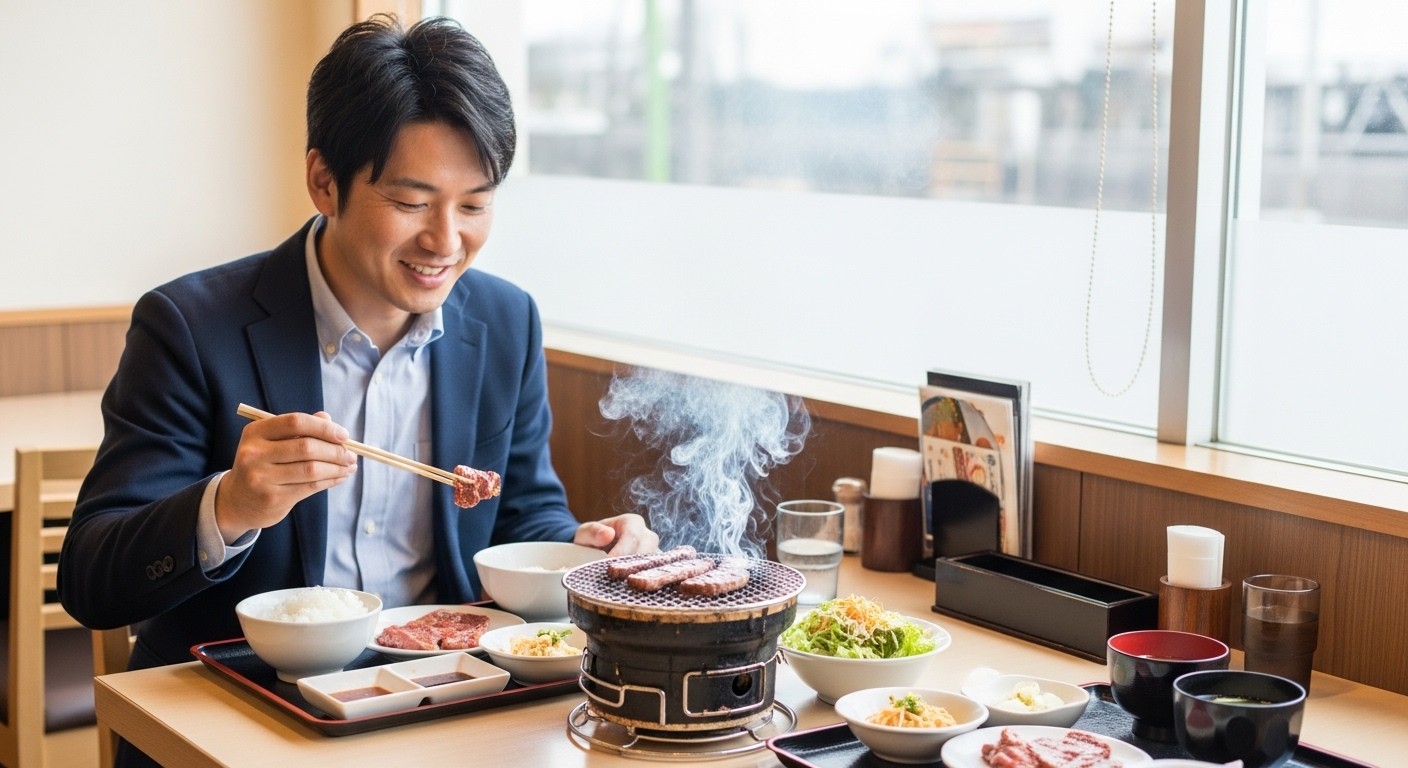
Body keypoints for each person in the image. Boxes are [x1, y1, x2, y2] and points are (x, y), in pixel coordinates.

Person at [58, 12, 656, 738]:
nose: (445, 241)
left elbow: (523, 513)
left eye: (474, 204)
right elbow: (90, 578)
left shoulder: (505, 322)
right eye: (410, 202)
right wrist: (232, 504)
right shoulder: (191, 326)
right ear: (323, 181)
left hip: (449, 707)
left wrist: (578, 549)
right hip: (243, 713)